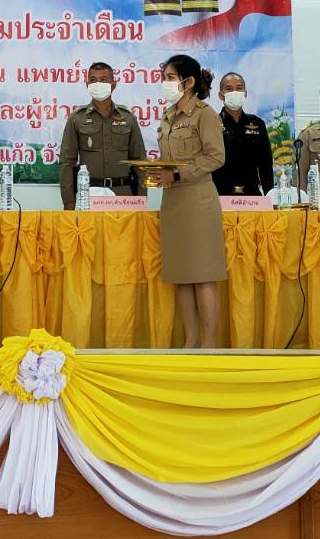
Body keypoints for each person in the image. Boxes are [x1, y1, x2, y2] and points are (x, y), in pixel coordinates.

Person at [142, 54, 227, 348]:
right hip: (173, 202)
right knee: (182, 275)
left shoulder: (205, 114)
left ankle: (209, 345)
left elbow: (216, 157)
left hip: (198, 201)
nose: (165, 83)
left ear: (188, 82)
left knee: (202, 275)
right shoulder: (168, 116)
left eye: (170, 77)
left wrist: (177, 173)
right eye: (163, 77)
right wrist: (158, 171)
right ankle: (191, 343)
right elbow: (171, 161)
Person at [58, 61, 146, 209]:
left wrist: (141, 199)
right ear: (87, 85)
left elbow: (140, 161)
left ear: (113, 84)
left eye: (103, 80)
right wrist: (68, 202)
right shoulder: (77, 118)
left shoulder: (128, 118)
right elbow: (67, 162)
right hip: (88, 195)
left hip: (123, 196)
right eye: (93, 80)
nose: (98, 84)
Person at [212, 72, 274, 196]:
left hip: (252, 195)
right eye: (229, 89)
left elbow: (265, 165)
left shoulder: (257, 123)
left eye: (239, 88)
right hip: (220, 195)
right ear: (221, 95)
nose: (234, 92)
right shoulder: (212, 123)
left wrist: (270, 196)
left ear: (245, 94)